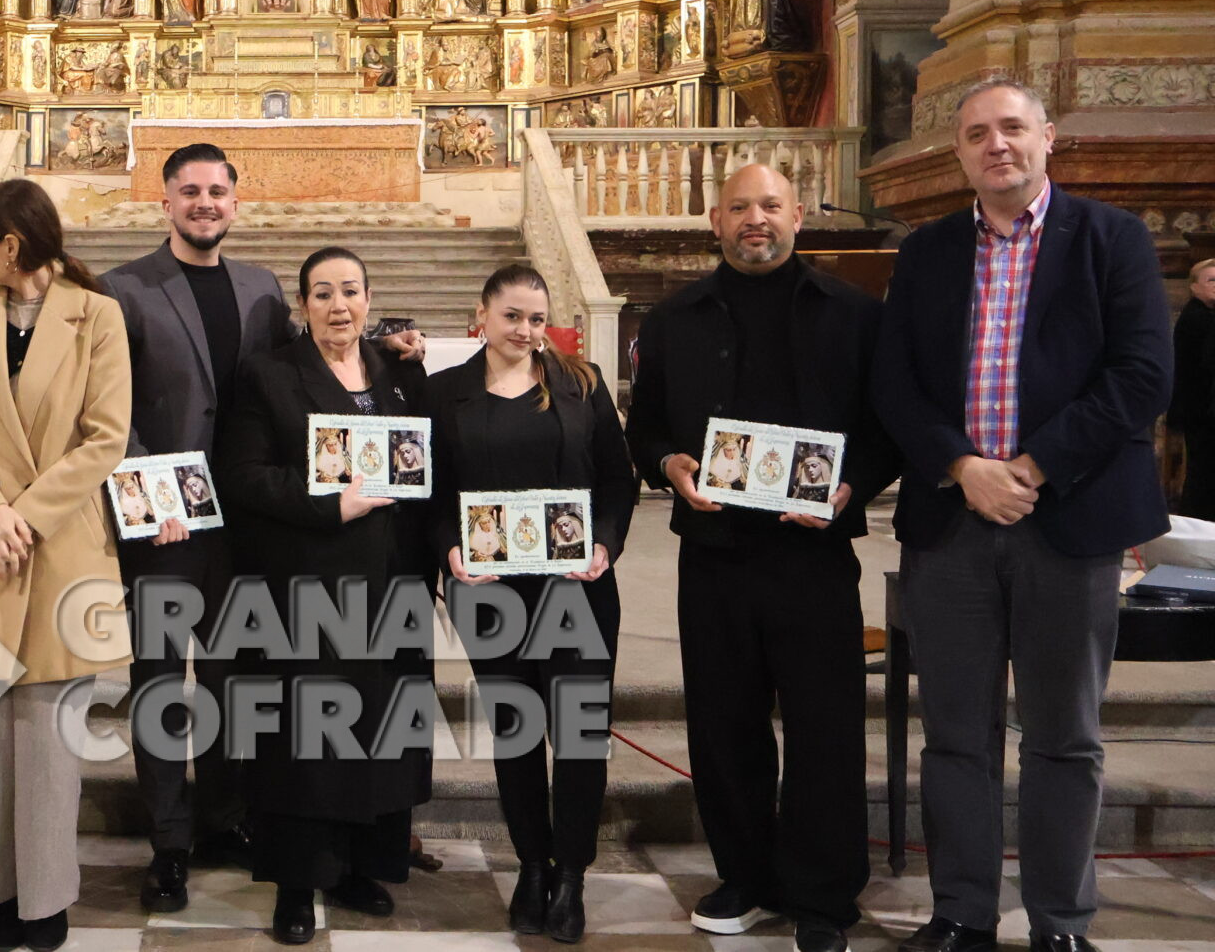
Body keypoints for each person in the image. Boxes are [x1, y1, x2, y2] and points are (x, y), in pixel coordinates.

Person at [874, 78, 1171, 952]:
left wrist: (1031, 466)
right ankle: (962, 911)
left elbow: (1142, 375)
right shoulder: (926, 251)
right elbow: (894, 382)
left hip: (1067, 519)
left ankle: (1059, 921)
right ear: (959, 152)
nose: (996, 144)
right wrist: (964, 467)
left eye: (1012, 127)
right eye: (977, 133)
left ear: (1048, 138)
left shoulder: (1112, 239)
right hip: (953, 523)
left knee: (1064, 737)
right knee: (955, 737)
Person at [101, 143, 425, 911]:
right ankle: (169, 844)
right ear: (166, 200)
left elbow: (307, 366)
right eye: (190, 191)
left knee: (237, 679)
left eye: (217, 190)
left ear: (235, 202)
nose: (205, 202)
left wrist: (381, 343)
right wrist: (148, 499)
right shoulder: (124, 288)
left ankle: (224, 818)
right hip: (169, 522)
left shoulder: (260, 288)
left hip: (249, 525)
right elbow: (107, 405)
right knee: (161, 680)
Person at [627, 162, 898, 952]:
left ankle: (821, 894)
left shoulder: (855, 314)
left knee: (825, 725)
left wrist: (850, 488)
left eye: (770, 205)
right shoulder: (673, 318)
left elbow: (885, 428)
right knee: (724, 723)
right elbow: (646, 428)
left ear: (798, 215)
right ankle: (744, 874)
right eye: (740, 206)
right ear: (715, 220)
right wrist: (671, 466)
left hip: (814, 553)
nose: (756, 218)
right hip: (716, 554)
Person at [0, 177, 134, 952]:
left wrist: (26, 513)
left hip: (59, 540)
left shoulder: (97, 314)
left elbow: (106, 436)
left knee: (49, 736)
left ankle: (45, 897)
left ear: (12, 244)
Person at [218, 247, 431, 947]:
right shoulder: (269, 374)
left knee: (378, 731)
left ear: (369, 298)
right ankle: (296, 883)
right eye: (322, 293)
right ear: (302, 305)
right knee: (306, 741)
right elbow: (243, 475)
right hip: (309, 581)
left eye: (350, 291)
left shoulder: (398, 371)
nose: (339, 306)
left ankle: (358, 865)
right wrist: (327, 504)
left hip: (393, 581)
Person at [431, 264, 635, 944]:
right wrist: (448, 549)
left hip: (575, 589)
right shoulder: (445, 393)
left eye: (536, 318)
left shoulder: (583, 384)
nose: (525, 330)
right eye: (512, 316)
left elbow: (618, 481)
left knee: (578, 736)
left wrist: (604, 544)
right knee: (516, 733)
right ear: (482, 315)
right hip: (490, 594)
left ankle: (571, 873)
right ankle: (531, 864)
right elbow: (432, 492)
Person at [1170, 258, 1215, 519]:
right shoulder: (1197, 317)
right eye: (1211, 280)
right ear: (1194, 287)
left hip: (1201, 409)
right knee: (1202, 475)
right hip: (1200, 412)